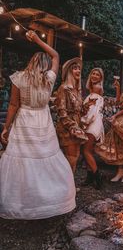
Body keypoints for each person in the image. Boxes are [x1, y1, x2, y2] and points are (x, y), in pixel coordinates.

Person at [0, 30, 76, 219]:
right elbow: (56, 55)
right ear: (46, 65)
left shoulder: (19, 78)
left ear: (31, 62)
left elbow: (13, 105)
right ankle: (48, 200)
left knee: (22, 161)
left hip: (24, 122)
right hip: (43, 121)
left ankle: (23, 204)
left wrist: (6, 127)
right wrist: (37, 39)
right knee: (44, 160)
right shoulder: (49, 78)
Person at [56, 57, 88, 174]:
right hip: (67, 128)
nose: (78, 71)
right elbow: (61, 111)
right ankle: (66, 188)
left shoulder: (77, 90)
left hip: (77, 125)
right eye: (75, 68)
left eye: (79, 68)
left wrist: (86, 106)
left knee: (75, 157)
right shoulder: (63, 88)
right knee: (70, 158)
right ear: (69, 71)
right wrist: (72, 126)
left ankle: (70, 186)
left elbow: (78, 110)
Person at [81, 68, 104, 189]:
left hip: (93, 123)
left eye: (97, 75)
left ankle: (98, 176)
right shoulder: (93, 89)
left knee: (86, 151)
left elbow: (92, 111)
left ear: (100, 78)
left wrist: (83, 122)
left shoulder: (97, 88)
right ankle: (89, 177)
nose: (94, 75)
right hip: (93, 122)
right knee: (88, 151)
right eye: (93, 73)